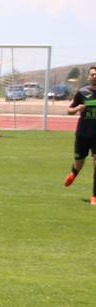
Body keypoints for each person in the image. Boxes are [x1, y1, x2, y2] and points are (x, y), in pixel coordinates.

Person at [63, 66, 96, 205]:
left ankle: (94, 196)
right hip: (82, 134)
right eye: (92, 74)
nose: (94, 76)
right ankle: (74, 173)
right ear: (88, 77)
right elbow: (69, 110)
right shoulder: (81, 92)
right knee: (79, 164)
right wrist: (77, 108)